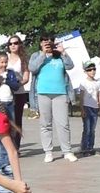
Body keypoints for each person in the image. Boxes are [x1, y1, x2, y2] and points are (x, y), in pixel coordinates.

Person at [30, 35, 77, 163]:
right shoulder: (36, 55)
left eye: (50, 41)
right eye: (44, 41)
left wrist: (63, 52)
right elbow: (32, 68)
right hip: (42, 93)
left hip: (60, 93)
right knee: (45, 124)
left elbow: (70, 66)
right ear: (40, 43)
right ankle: (48, 151)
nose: (47, 43)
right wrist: (43, 55)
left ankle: (67, 151)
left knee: (63, 123)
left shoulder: (59, 56)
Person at [5, 35, 30, 147]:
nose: (13, 45)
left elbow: (26, 77)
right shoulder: (5, 57)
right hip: (5, 93)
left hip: (19, 92)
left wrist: (17, 84)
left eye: (15, 43)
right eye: (10, 44)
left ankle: (16, 146)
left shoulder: (23, 59)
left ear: (19, 44)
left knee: (17, 120)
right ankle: (6, 145)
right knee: (6, 119)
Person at [76, 61, 100, 157]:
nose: (92, 71)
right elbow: (81, 97)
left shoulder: (98, 82)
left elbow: (99, 95)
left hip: (95, 107)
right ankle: (84, 147)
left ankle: (91, 147)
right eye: (89, 70)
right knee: (86, 128)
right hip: (87, 107)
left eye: (94, 69)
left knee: (92, 129)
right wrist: (82, 109)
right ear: (85, 71)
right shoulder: (83, 83)